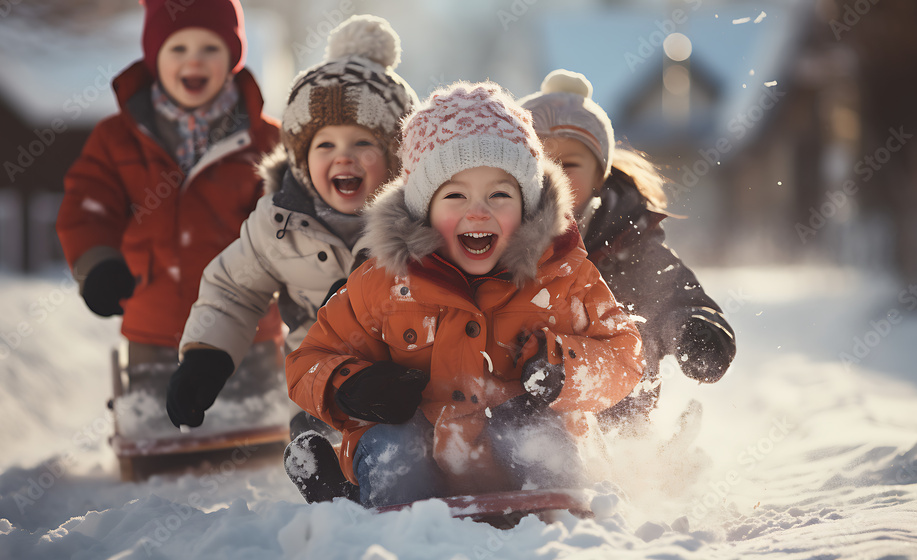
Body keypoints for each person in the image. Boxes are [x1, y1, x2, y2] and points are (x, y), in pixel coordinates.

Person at [283, 82, 644, 507]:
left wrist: (565, 368)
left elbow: (625, 356)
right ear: (423, 209)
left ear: (527, 206)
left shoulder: (565, 276)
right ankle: (358, 501)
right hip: (424, 449)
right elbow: (307, 361)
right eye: (455, 195)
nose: (478, 211)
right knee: (395, 447)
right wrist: (349, 385)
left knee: (534, 431)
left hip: (523, 458)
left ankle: (553, 507)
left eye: (500, 195)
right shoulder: (382, 282)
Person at [165, 15, 419, 430]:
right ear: (301, 160)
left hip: (411, 388)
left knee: (398, 455)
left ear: (397, 158)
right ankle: (321, 464)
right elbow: (234, 288)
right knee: (316, 452)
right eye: (324, 144)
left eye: (362, 142)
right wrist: (205, 356)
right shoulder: (277, 223)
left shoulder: (421, 221)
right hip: (321, 391)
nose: (343, 157)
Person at [56, 0, 282, 415]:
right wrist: (97, 263)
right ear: (155, 57)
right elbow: (89, 206)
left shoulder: (265, 143)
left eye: (210, 49)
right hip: (153, 322)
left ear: (233, 59)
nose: (193, 60)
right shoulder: (117, 138)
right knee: (159, 421)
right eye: (178, 49)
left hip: (248, 328)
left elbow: (286, 222)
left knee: (253, 422)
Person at [519, 69, 736, 427]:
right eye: (537, 162)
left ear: (599, 175)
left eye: (569, 164)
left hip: (614, 407)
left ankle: (630, 448)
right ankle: (519, 447)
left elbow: (671, 288)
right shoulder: (495, 234)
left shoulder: (626, 235)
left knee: (636, 323)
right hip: (526, 388)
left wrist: (693, 327)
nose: (551, 174)